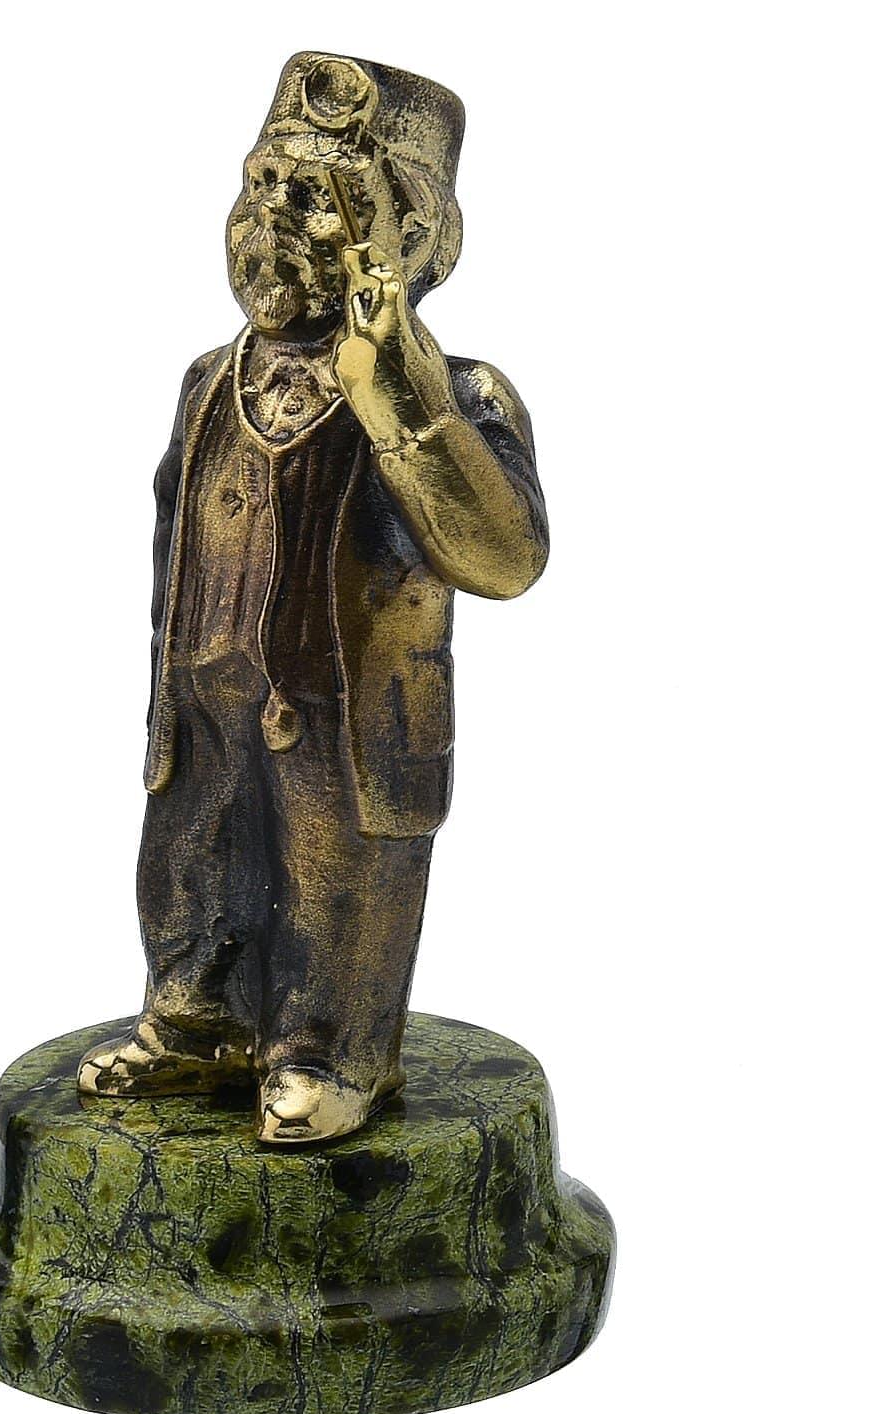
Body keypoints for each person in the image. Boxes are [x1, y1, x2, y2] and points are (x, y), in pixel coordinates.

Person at [77, 52, 549, 1143]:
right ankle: (196, 1019)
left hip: (348, 720)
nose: (271, 221)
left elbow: (506, 558)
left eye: (316, 199)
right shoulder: (209, 379)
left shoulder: (454, 393)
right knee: (188, 864)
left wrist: (397, 395)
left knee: (337, 885)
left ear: (406, 237)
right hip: (206, 696)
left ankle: (328, 1050)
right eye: (261, 187)